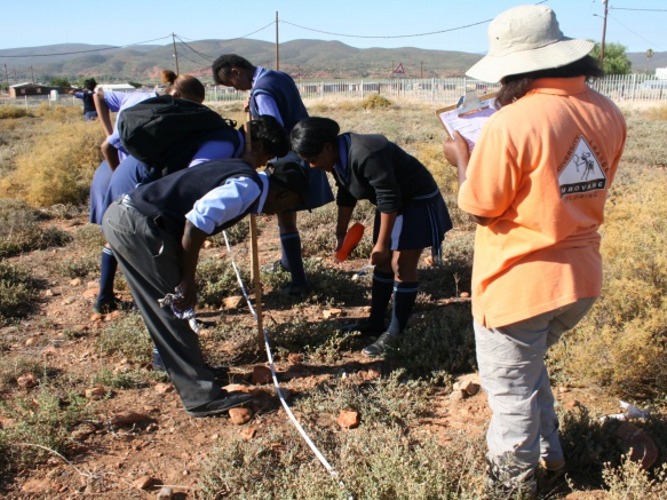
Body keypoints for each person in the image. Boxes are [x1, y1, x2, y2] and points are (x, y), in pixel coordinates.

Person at [442, 5, 627, 497]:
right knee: (530, 371)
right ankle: (554, 461)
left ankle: (512, 488)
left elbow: (481, 209)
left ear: (514, 67)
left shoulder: (512, 122)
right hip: (580, 279)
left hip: (518, 284)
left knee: (511, 399)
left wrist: (463, 160)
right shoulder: (606, 110)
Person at [102, 116, 310, 417]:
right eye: (289, 204)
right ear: (282, 193)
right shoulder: (247, 187)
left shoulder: (243, 172)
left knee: (172, 306)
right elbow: (195, 224)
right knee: (175, 305)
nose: (284, 211)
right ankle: (200, 397)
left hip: (128, 219)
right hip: (138, 227)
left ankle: (191, 370)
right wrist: (188, 278)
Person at [291, 117, 452, 357]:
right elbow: (346, 194)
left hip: (416, 200)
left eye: (313, 160)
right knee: (383, 263)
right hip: (391, 205)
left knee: (401, 265)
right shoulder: (337, 156)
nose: (312, 166)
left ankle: (396, 331)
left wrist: (381, 244)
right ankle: (376, 322)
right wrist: (340, 233)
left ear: (327, 147)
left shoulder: (367, 153)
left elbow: (389, 197)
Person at [90, 70, 226, 315]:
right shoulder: (150, 108)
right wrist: (118, 172)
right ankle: (164, 308)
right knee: (140, 240)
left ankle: (105, 297)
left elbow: (99, 95)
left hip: (133, 173)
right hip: (125, 174)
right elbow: (107, 146)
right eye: (190, 103)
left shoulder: (165, 107)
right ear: (176, 93)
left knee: (116, 236)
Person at [211, 54, 334, 296]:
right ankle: (289, 263)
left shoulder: (261, 91)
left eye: (232, 83)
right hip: (303, 148)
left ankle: (298, 281)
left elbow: (273, 129)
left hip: (287, 157)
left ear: (236, 70)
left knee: (285, 216)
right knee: (286, 217)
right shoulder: (277, 76)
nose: (236, 89)